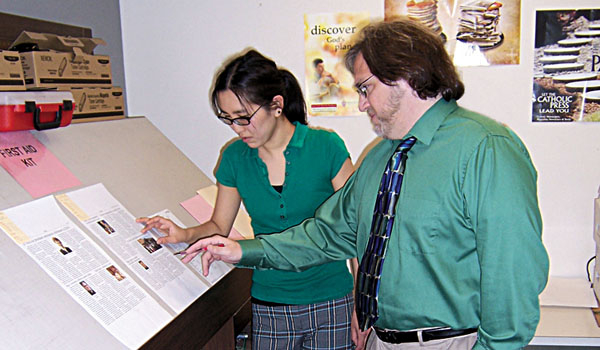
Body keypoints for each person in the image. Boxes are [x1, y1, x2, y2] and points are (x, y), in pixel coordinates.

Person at [185, 18, 549, 350]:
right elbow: (325, 235)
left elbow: (513, 278)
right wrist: (241, 251)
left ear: (403, 75)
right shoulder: (380, 158)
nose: (361, 104)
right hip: (380, 340)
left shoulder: (485, 149)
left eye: (365, 88)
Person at [137, 49, 360, 349]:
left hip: (332, 301)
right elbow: (219, 224)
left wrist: (362, 303)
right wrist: (183, 233)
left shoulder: (326, 147)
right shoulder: (234, 158)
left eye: (243, 118)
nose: (236, 129)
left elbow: (357, 229)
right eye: (228, 119)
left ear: (276, 106)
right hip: (270, 303)